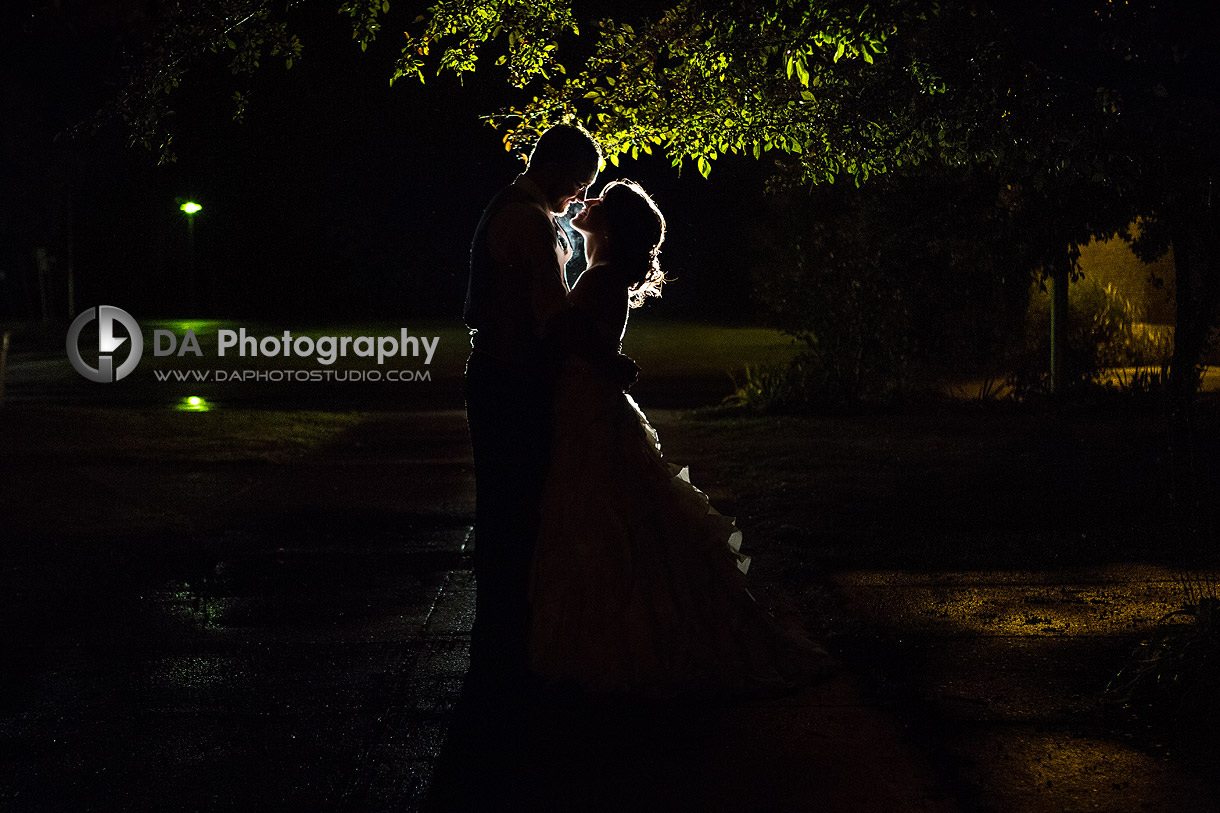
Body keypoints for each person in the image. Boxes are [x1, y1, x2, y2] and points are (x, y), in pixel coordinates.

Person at [528, 180, 835, 695]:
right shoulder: (598, 275)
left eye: (601, 201)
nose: (589, 202)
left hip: (588, 410)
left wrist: (603, 360)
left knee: (597, 516)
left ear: (612, 224)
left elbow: (571, 341)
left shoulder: (602, 279)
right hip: (588, 406)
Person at [462, 124, 636, 694]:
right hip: (507, 379)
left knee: (522, 505)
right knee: (509, 506)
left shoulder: (531, 215)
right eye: (581, 182)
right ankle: (501, 643)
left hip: (513, 375)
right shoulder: (527, 221)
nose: (580, 196)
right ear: (559, 171)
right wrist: (607, 362)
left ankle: (513, 633)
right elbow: (551, 315)